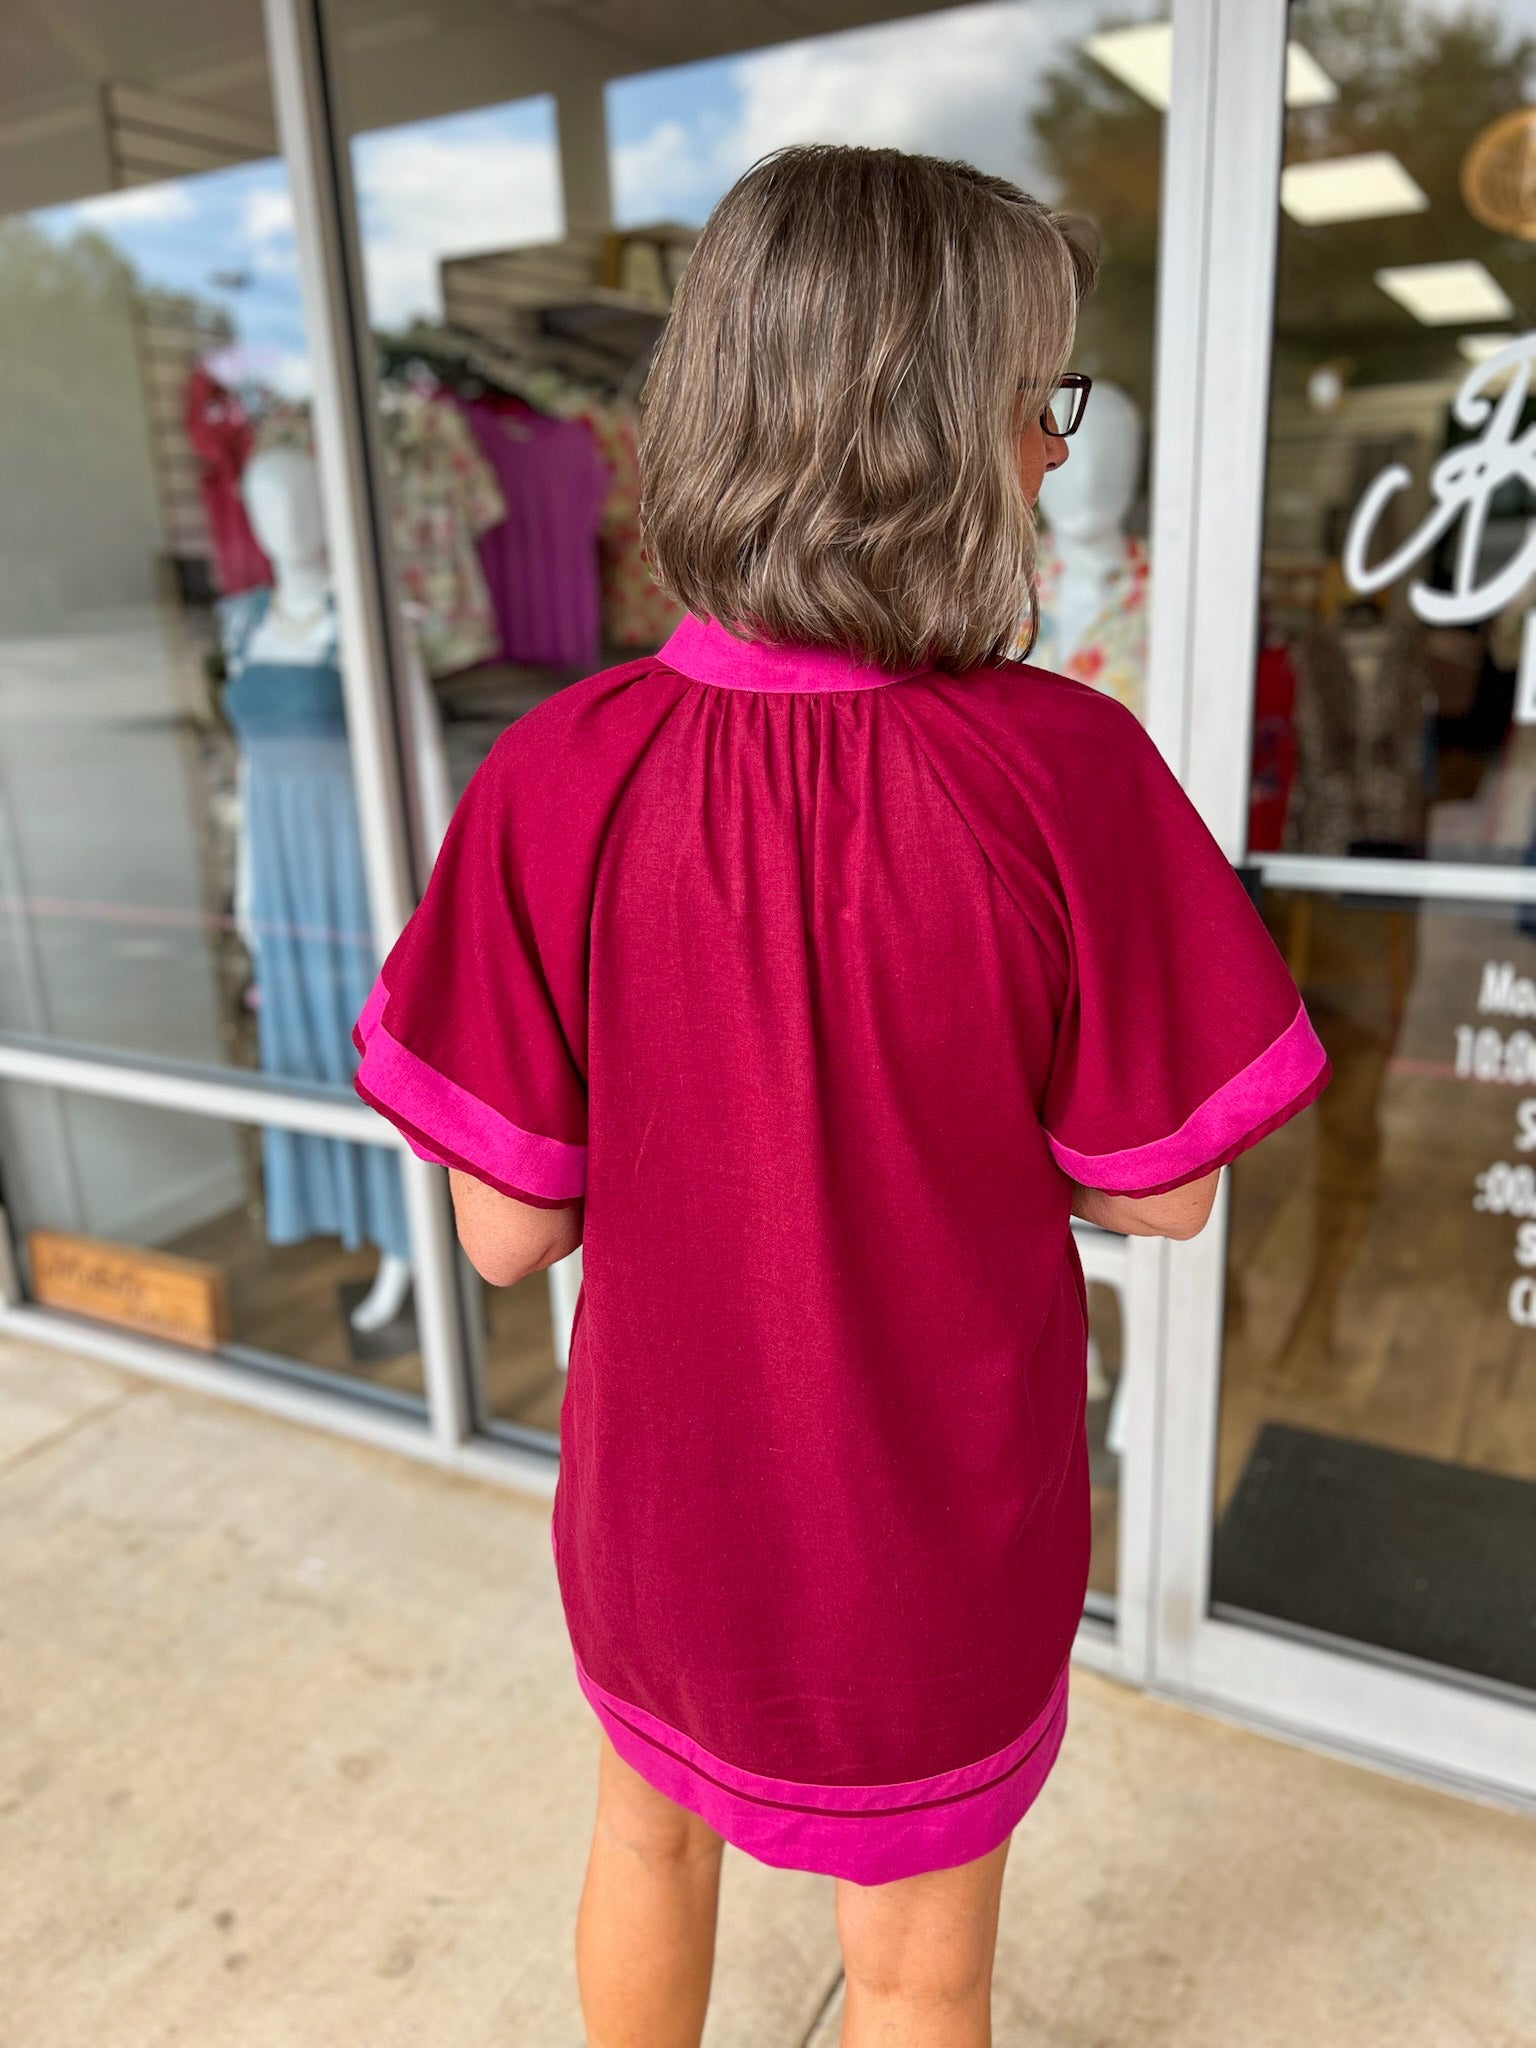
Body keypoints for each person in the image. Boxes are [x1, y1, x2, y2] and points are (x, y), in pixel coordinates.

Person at [352, 145, 1331, 2048]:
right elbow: (1159, 1197)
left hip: (663, 1512)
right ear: (938, 435)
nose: (1056, 454)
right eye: (1041, 402)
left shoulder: (561, 773)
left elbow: (500, 1233)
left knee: (644, 1850)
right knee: (915, 1970)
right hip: (934, 1533)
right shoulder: (1069, 776)